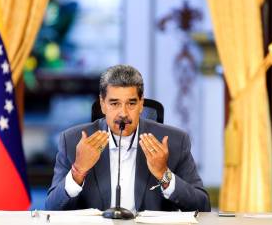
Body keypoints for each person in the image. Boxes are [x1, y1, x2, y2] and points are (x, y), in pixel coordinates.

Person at [45, 65, 210, 212]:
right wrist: (78, 171)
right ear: (102, 104)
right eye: (114, 103)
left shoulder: (174, 141)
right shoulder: (73, 141)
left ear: (141, 104)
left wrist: (164, 174)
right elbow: (51, 208)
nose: (123, 113)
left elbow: (202, 206)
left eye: (131, 103)